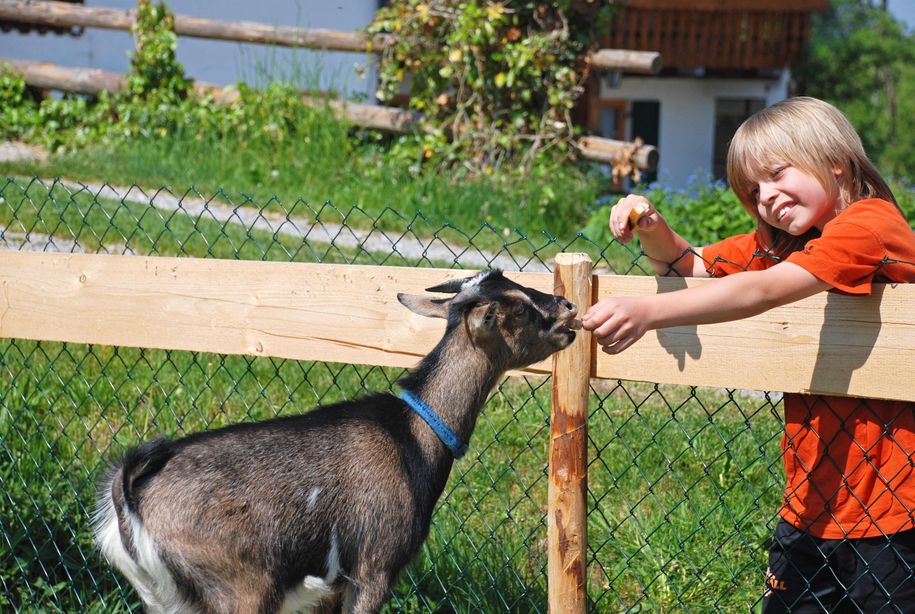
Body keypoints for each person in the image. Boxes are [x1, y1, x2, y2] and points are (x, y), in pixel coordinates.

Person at [581, 97, 915, 612]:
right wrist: (651, 227)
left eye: (778, 174)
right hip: (808, 503)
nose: (767, 197)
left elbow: (764, 290)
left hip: (892, 511)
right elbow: (691, 269)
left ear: (835, 159)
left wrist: (648, 312)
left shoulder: (870, 225)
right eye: (754, 191)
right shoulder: (781, 242)